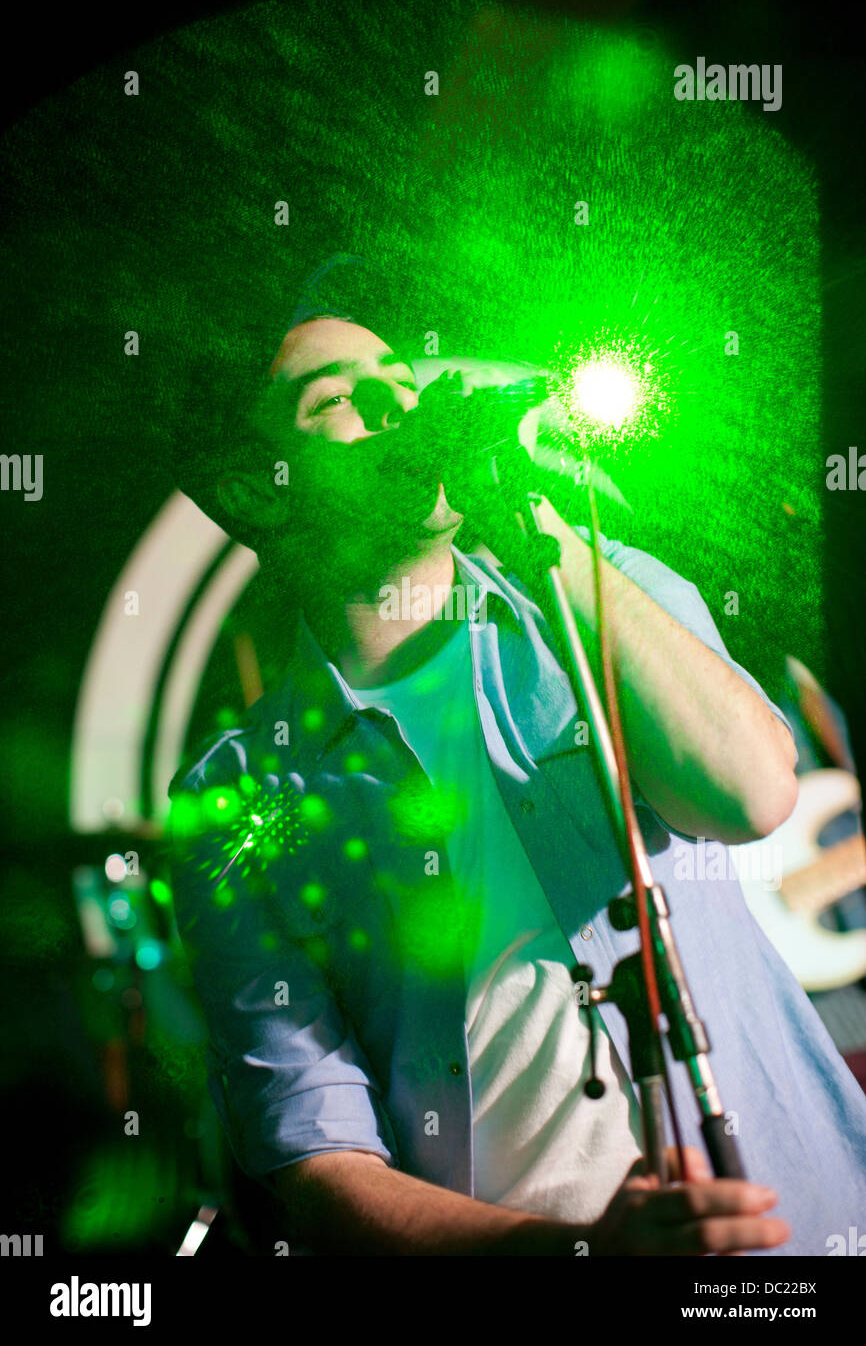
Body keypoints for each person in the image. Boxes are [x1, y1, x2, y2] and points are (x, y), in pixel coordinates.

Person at [168, 301, 866, 1256]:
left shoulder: (603, 588)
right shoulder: (240, 793)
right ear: (258, 487)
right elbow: (319, 1168)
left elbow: (751, 795)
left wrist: (535, 523)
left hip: (806, 1231)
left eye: (401, 382)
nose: (397, 401)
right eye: (338, 397)